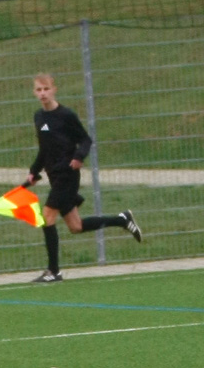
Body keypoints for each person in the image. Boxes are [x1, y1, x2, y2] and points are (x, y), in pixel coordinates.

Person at [24, 73, 142, 283]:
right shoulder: (39, 118)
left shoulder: (66, 115)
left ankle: (53, 271)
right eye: (38, 90)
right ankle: (122, 219)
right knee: (75, 226)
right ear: (34, 92)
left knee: (47, 216)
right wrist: (34, 171)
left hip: (67, 176)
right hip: (54, 175)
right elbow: (45, 148)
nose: (42, 93)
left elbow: (85, 140)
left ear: (54, 90)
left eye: (46, 89)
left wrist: (79, 156)